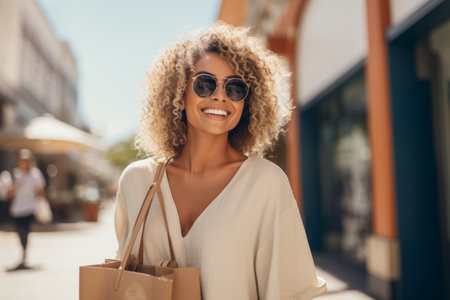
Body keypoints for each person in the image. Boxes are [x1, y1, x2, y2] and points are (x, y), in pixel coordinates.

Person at [114, 22, 327, 299]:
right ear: (180, 94)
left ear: (245, 103)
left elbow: (292, 290)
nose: (220, 95)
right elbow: (123, 274)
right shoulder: (137, 181)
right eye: (205, 83)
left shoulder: (266, 183)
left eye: (235, 88)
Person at [6, 148, 46, 269]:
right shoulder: (15, 174)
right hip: (17, 209)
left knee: (25, 231)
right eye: (22, 160)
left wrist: (42, 206)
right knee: (19, 232)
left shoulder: (35, 175)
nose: (24, 163)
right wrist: (15, 187)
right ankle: (23, 253)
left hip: (29, 208)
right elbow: (8, 193)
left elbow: (40, 191)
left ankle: (24, 255)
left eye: (26, 160)